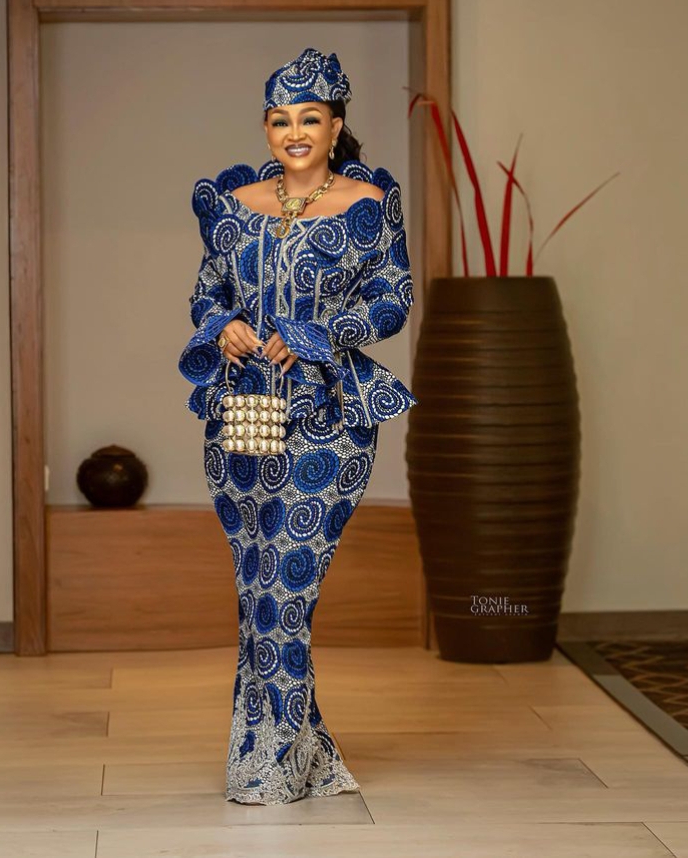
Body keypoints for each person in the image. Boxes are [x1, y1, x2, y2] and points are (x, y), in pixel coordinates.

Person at [177, 47, 417, 805]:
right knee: (257, 584)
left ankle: (271, 764)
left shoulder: (369, 204)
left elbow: (394, 298)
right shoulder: (235, 203)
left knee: (288, 581)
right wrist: (222, 325)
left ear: (336, 126)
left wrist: (318, 333)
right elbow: (207, 290)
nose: (295, 132)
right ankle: (297, 751)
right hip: (244, 410)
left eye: (310, 118)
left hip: (332, 414)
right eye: (280, 120)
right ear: (267, 129)